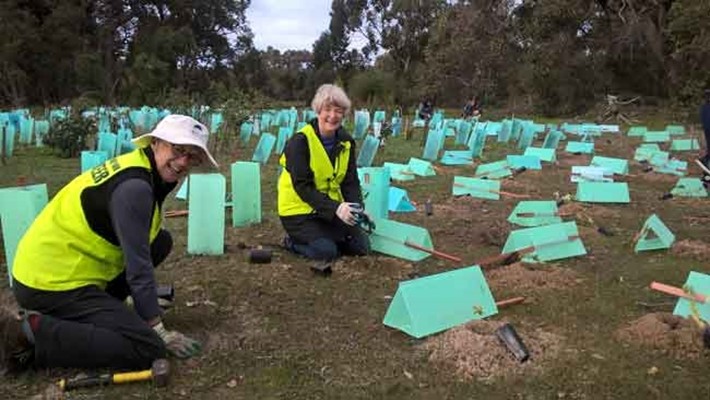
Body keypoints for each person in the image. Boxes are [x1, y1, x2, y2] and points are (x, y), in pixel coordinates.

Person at [1, 115, 216, 375]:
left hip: (62, 267)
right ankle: (29, 334)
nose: (183, 163)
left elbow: (143, 247)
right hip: (49, 282)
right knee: (147, 347)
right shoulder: (135, 188)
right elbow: (139, 268)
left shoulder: (142, 167)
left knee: (160, 242)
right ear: (157, 142)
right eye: (178, 150)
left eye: (192, 157)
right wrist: (156, 327)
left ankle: (103, 311)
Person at [278, 84, 370, 261]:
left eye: (339, 111)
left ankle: (329, 236)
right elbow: (303, 187)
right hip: (298, 211)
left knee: (361, 247)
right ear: (318, 110)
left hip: (328, 210)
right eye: (327, 109)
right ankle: (291, 242)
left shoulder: (346, 143)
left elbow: (350, 182)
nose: (333, 116)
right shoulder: (300, 142)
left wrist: (357, 207)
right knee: (326, 252)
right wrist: (336, 207)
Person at [700, 89, 710, 167]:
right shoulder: (704, 106)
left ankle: (706, 159)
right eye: (707, 96)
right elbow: (702, 118)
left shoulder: (704, 106)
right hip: (707, 129)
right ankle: (706, 159)